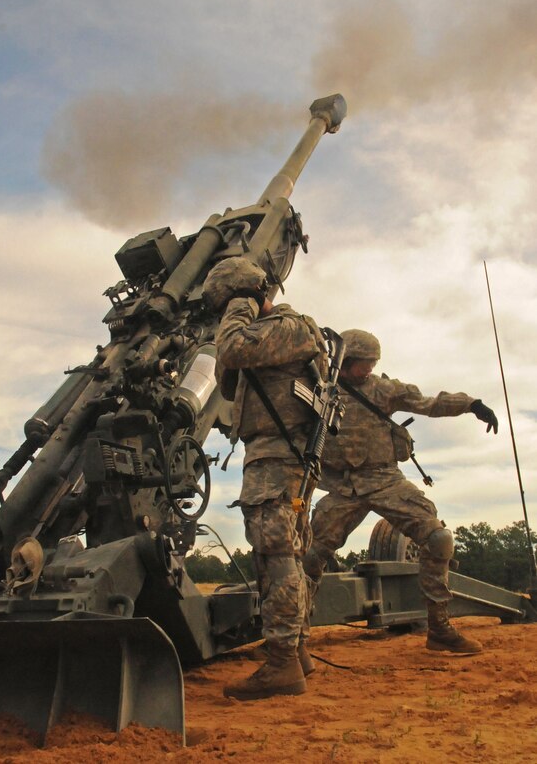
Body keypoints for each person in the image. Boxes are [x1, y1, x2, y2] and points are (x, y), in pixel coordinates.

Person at [302, 328, 498, 655]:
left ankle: (439, 629)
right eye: (365, 363)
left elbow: (428, 403)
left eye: (373, 363)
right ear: (345, 360)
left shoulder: (382, 389)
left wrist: (471, 404)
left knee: (438, 539)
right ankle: (294, 641)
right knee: (309, 557)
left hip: (385, 480)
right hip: (343, 487)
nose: (370, 368)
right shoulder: (321, 388)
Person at [202, 256, 329, 700]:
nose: (226, 315)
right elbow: (231, 385)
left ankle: (281, 665)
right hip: (272, 454)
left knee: (276, 556)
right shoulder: (269, 336)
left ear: (249, 295)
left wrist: (240, 306)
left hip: (279, 456)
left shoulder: (293, 327)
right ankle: (298, 653)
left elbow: (233, 350)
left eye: (229, 303)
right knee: (284, 554)